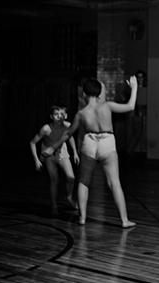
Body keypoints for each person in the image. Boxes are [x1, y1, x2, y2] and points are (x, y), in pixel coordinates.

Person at [41, 76, 138, 228]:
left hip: (90, 143)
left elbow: (68, 133)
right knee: (114, 183)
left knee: (84, 182)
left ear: (84, 94)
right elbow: (130, 106)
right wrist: (135, 87)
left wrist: (53, 147)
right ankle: (124, 220)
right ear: (99, 93)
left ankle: (82, 218)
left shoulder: (81, 113)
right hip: (107, 143)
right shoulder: (107, 106)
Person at [30, 105, 80, 216]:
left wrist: (75, 152)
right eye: (56, 114)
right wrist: (36, 160)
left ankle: (69, 197)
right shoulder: (46, 129)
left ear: (66, 116)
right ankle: (54, 205)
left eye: (62, 114)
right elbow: (32, 142)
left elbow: (70, 137)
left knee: (71, 177)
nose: (59, 116)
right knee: (54, 180)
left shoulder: (67, 126)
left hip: (62, 152)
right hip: (49, 155)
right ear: (51, 117)